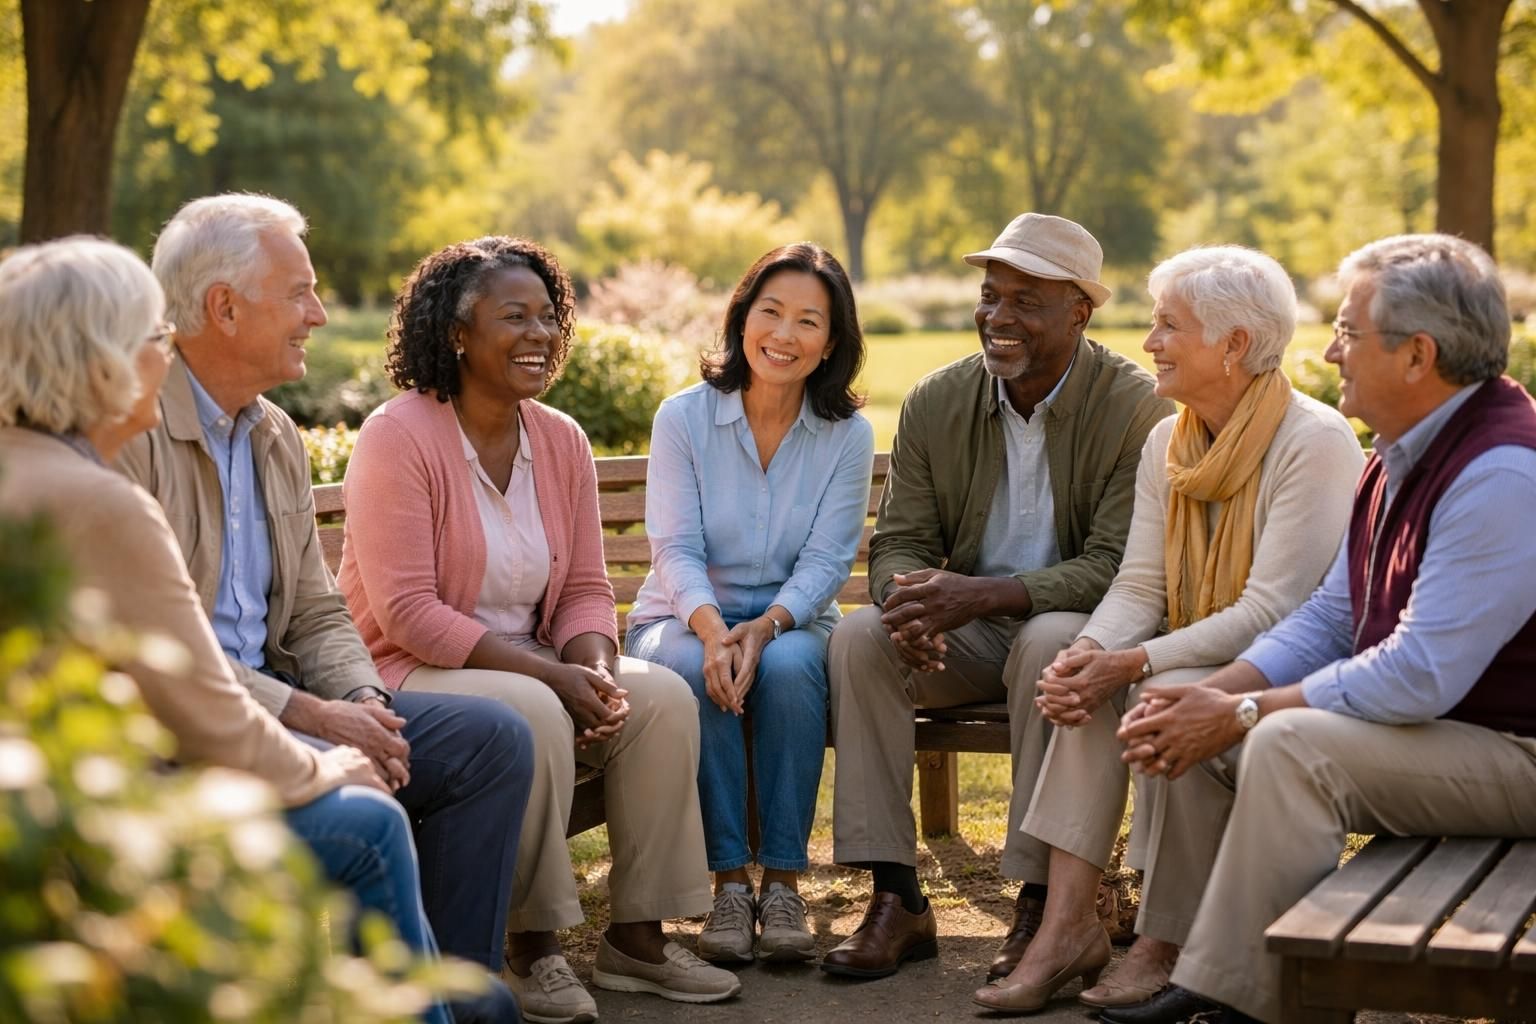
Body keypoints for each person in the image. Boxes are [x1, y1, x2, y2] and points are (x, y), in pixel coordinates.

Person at [0, 235, 523, 1024]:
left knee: (488, 739)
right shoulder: (102, 491)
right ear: (101, 358)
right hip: (141, 775)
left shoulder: (260, 435)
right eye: (151, 336)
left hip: (120, 761)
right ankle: (423, 1005)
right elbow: (200, 702)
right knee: (369, 821)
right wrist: (324, 759)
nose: (164, 351)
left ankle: (450, 991)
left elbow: (315, 606)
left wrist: (359, 698)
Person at [1103, 233, 1536, 1024]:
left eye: (1348, 333)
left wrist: (1243, 711)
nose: (1331, 353)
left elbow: (1417, 674)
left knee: (1287, 743)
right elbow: (1334, 615)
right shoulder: (1398, 454)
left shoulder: (1500, 472)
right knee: (1186, 707)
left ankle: (1254, 999)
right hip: (1449, 734)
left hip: (1515, 753)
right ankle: (1202, 963)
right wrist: (1219, 691)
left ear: (1418, 356)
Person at [338, 235, 741, 1023]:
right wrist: (553, 679)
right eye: (513, 316)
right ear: (457, 333)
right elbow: (407, 614)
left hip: (531, 662)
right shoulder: (400, 436)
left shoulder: (559, 439)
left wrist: (590, 664)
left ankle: (637, 938)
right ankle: (534, 946)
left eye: (549, 316)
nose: (539, 334)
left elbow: (586, 590)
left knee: (658, 697)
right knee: (526, 714)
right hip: (409, 670)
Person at [972, 246, 1363, 1013]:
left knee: (1157, 692)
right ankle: (1065, 928)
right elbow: (1142, 585)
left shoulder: (1312, 442)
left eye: (1167, 326)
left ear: (1235, 345)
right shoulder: (1170, 439)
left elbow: (1271, 611)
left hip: (1278, 675)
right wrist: (1091, 652)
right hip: (1188, 655)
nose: (1149, 342)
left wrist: (1132, 663)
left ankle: (1164, 941)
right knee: (1089, 687)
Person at [821, 212, 1172, 980]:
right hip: (969, 636)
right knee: (859, 639)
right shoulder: (937, 401)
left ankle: (1041, 900)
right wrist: (908, 604)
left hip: (1077, 630)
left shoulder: (1135, 408)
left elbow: (1118, 566)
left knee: (1052, 641)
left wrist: (977, 595)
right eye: (990, 295)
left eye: (1026, 300)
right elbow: (901, 540)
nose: (998, 317)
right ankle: (896, 895)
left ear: (1080, 309)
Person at [625, 243, 875, 964]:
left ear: (831, 343)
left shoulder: (847, 435)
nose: (784, 335)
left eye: (808, 321)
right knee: (685, 673)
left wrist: (763, 628)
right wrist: (712, 632)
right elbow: (674, 548)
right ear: (742, 319)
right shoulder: (684, 418)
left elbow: (828, 560)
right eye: (771, 312)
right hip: (679, 614)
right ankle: (731, 884)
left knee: (794, 669)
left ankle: (785, 883)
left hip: (790, 619)